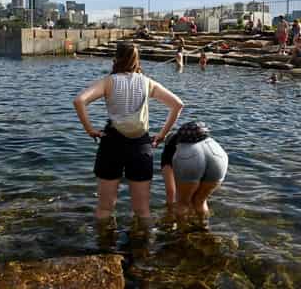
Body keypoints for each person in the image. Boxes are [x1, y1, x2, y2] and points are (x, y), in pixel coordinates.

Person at [73, 41, 183, 221]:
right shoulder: (147, 83)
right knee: (142, 210)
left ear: (115, 59)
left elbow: (79, 101)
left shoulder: (108, 82)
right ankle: (143, 246)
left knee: (105, 208)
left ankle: (104, 245)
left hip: (111, 143)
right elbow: (178, 105)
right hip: (140, 145)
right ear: (137, 60)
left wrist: (90, 130)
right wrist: (162, 135)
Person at [161, 122, 228, 220]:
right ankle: (203, 228)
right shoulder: (207, 140)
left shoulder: (169, 147)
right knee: (200, 201)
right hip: (218, 154)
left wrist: (169, 213)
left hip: (189, 158)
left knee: (182, 203)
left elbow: (170, 191)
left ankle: (181, 233)